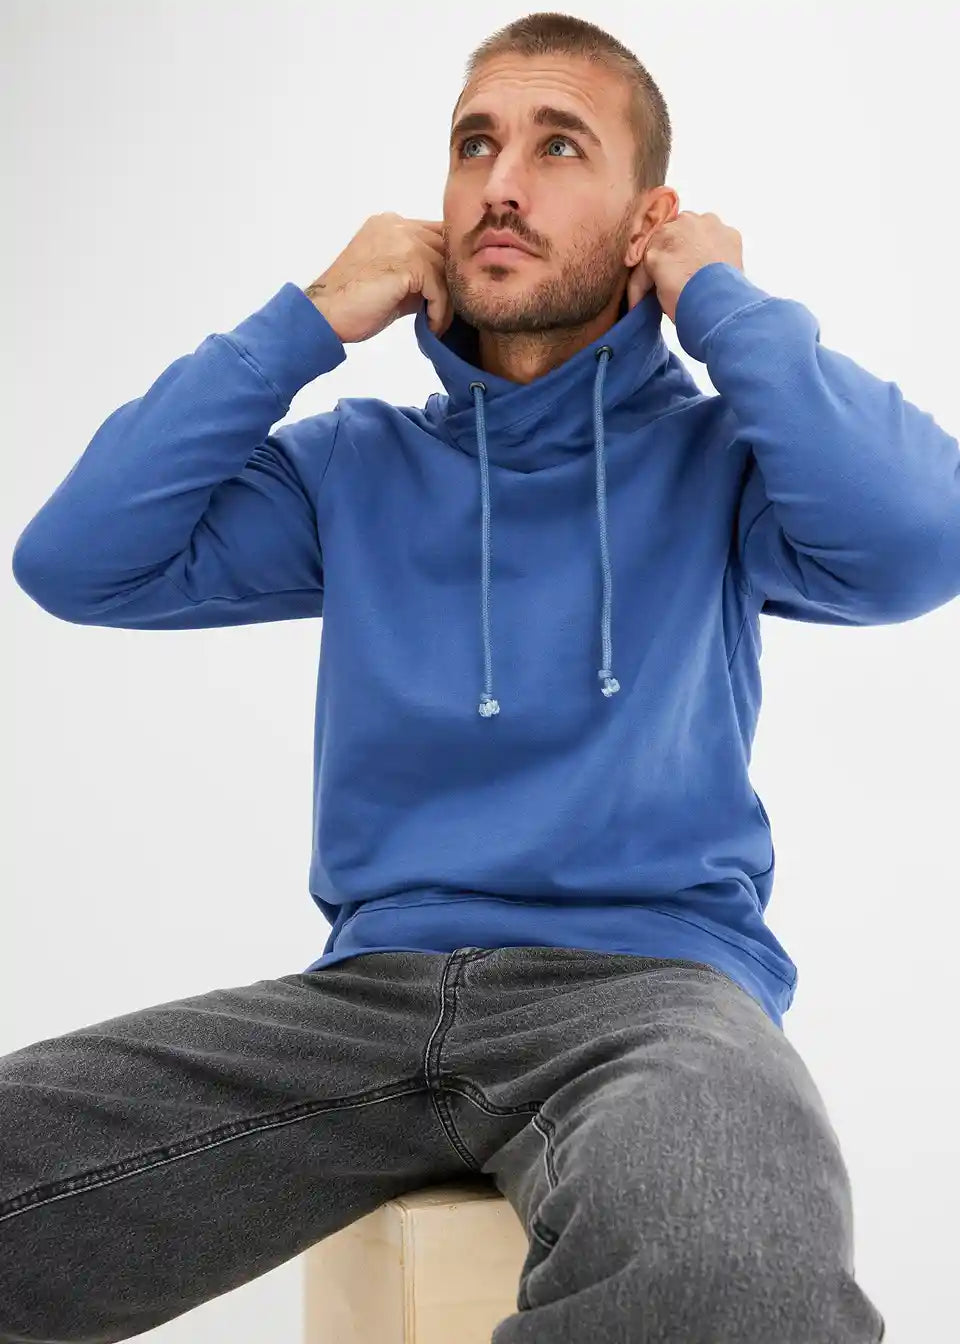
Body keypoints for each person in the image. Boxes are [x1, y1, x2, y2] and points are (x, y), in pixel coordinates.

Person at [10, 8, 955, 1340]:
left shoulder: (730, 462)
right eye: (474, 145)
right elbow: (76, 560)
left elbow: (920, 539)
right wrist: (305, 323)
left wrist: (719, 301)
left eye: (559, 145)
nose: (501, 183)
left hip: (652, 999)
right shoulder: (353, 467)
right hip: (364, 1001)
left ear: (649, 218)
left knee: (737, 1262)